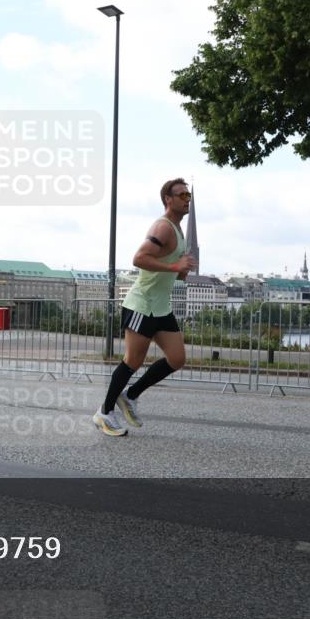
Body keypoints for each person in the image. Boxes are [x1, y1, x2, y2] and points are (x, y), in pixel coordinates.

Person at [93, 178, 198, 437]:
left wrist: (181, 270)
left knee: (177, 359)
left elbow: (170, 268)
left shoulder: (178, 230)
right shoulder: (163, 227)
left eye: (189, 195)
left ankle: (130, 396)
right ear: (168, 200)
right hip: (142, 305)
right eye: (182, 194)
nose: (187, 199)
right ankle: (104, 413)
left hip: (161, 307)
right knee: (133, 361)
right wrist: (175, 266)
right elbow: (139, 258)